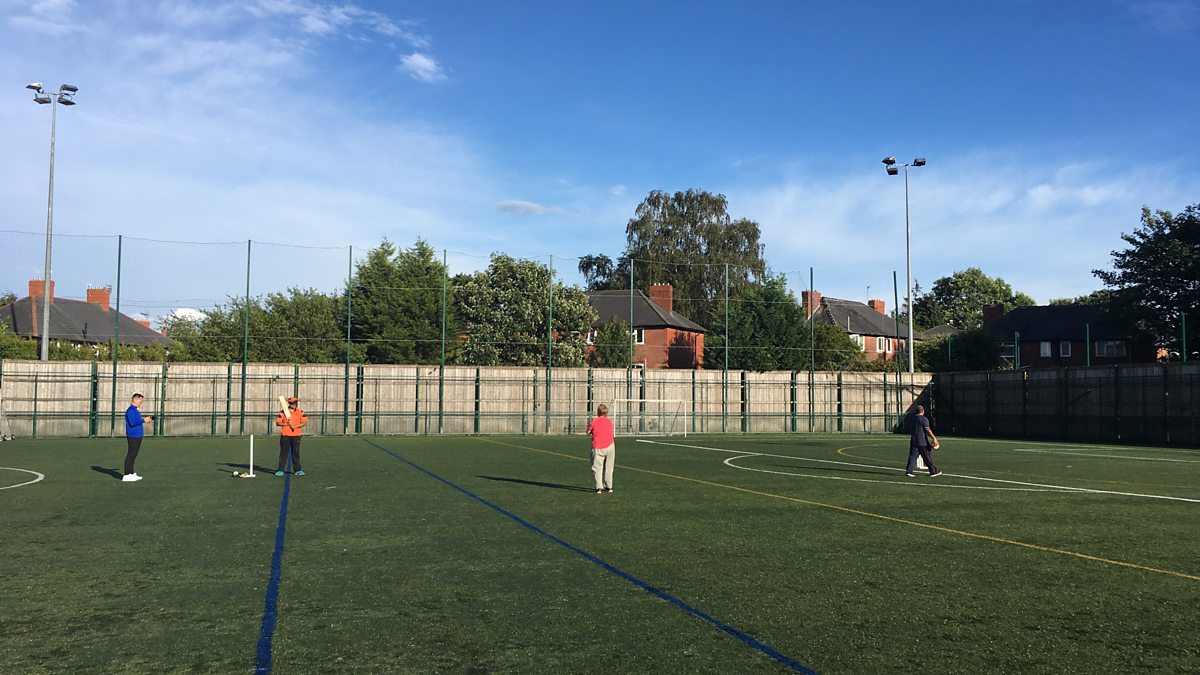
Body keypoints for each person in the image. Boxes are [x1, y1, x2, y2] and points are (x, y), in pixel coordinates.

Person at [123, 393, 153, 482]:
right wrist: (144, 420)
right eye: (140, 401)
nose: (141, 403)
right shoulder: (130, 411)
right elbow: (132, 422)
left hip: (137, 435)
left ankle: (131, 473)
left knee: (134, 455)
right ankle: (127, 474)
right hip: (133, 436)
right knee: (131, 454)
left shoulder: (135, 410)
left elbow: (137, 421)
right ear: (135, 400)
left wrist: (145, 420)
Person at [275, 396, 308, 476]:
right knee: (284, 453)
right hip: (285, 435)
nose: (294, 404)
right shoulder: (283, 412)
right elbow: (278, 422)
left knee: (295, 452)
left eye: (295, 402)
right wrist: (287, 423)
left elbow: (304, 422)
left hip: (296, 435)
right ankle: (280, 470)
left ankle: (297, 470)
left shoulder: (300, 412)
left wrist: (295, 426)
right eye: (292, 403)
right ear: (289, 403)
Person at [587, 403, 616, 493]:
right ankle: (609, 486)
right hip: (610, 446)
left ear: (598, 412)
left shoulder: (594, 421)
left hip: (598, 447)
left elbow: (588, 432)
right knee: (609, 467)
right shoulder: (610, 421)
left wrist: (589, 428)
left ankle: (599, 487)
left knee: (597, 467)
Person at [906, 404, 941, 478]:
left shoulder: (912, 419)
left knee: (912, 457)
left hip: (914, 440)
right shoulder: (924, 419)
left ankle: (909, 471)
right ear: (923, 411)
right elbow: (927, 430)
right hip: (923, 442)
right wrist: (934, 438)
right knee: (927, 457)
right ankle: (933, 471)